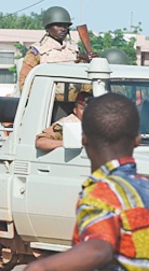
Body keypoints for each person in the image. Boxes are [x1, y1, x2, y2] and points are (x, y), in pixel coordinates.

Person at [25, 93, 149, 270]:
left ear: (84, 139)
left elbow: (99, 248)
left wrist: (39, 267)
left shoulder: (103, 192)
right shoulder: (144, 185)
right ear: (137, 139)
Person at [18, 6, 94, 92]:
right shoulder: (38, 51)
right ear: (48, 27)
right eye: (58, 26)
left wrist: (91, 62)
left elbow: (85, 82)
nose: (63, 29)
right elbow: (24, 82)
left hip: (73, 102)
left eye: (65, 26)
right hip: (48, 102)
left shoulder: (75, 50)